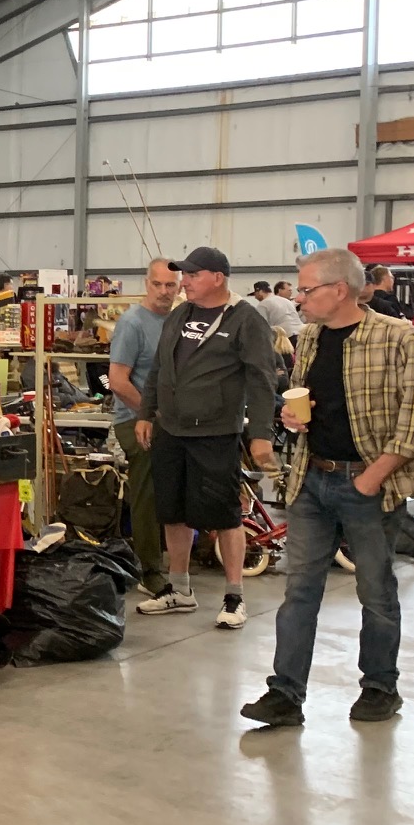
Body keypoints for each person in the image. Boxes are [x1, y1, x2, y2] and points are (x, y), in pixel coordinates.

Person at [239, 247, 414, 726]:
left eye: (307, 290)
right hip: (312, 479)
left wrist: (373, 477)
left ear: (340, 290)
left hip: (368, 483)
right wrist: (293, 418)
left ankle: (380, 686)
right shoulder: (309, 338)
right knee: (299, 591)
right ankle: (285, 693)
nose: (300, 298)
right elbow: (308, 402)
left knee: (376, 590)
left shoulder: (398, 337)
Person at [134, 246, 278, 630]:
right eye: (184, 275)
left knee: (225, 515)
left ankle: (234, 596)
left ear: (217, 278)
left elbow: (262, 381)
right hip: (170, 429)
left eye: (192, 275)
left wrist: (261, 434)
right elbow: (160, 367)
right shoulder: (180, 313)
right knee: (173, 512)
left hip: (215, 433)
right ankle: (180, 589)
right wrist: (147, 412)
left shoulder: (246, 319)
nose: (184, 282)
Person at [107, 260, 180, 598]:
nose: (164, 291)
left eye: (170, 285)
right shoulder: (132, 323)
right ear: (146, 284)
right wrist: (149, 415)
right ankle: (149, 571)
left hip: (171, 421)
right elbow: (118, 381)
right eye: (158, 284)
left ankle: (177, 566)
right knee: (147, 496)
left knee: (174, 495)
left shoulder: (178, 321)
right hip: (136, 421)